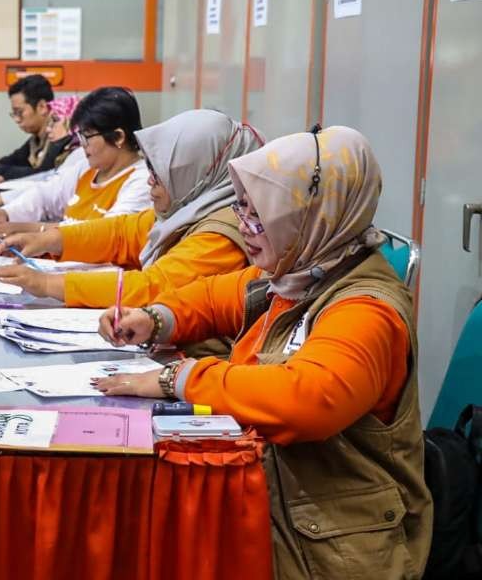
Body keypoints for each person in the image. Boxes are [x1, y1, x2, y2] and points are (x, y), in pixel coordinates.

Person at [95, 127, 431, 578]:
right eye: (242, 209)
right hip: (282, 500)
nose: (245, 228)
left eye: (260, 214)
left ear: (309, 214)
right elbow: (218, 296)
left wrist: (177, 379)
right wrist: (155, 318)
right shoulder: (298, 271)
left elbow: (306, 400)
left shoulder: (365, 310)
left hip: (331, 542)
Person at [0, 110, 261, 322]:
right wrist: (50, 239)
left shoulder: (222, 233)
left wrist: (47, 283)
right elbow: (123, 232)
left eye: (162, 175)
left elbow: (154, 288)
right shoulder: (186, 210)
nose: (149, 182)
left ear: (197, 175)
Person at [0, 87, 150, 232]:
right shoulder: (87, 168)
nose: (82, 145)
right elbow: (45, 195)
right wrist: (7, 213)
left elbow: (103, 234)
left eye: (87, 137)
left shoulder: (142, 181)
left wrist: (29, 228)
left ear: (118, 137)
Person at [0, 74, 72, 181]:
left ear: (42, 107)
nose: (17, 119)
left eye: (19, 112)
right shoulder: (37, 138)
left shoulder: (61, 133)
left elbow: (43, 174)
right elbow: (15, 160)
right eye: (14, 113)